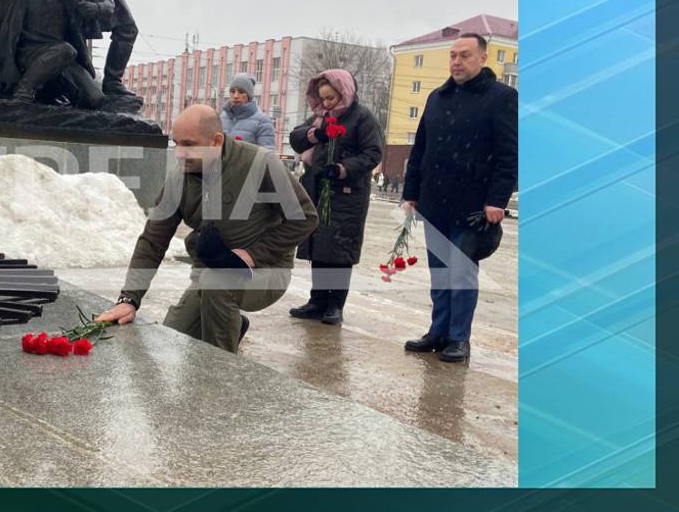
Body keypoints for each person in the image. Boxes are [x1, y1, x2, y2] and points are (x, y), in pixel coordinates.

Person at [95, 105, 318, 353]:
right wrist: (129, 299)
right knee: (171, 338)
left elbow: (306, 218)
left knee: (216, 285)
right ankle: (232, 322)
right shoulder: (179, 179)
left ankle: (220, 371)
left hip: (266, 270)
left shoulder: (261, 164)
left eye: (189, 144)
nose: (180, 154)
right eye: (176, 143)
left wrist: (253, 254)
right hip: (212, 271)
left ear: (216, 141)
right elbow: (152, 240)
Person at [402, 33, 518, 363]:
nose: (456, 61)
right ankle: (437, 332)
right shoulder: (437, 98)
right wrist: (411, 193)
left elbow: (508, 154)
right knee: (440, 272)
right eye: (453, 55)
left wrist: (497, 199)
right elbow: (420, 148)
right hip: (434, 201)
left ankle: (458, 338)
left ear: (483, 58)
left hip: (473, 207)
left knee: (462, 272)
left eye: (464, 55)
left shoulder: (502, 97)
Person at [287, 69, 383, 325]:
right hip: (318, 189)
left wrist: (343, 169)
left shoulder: (363, 118)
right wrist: (314, 134)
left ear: (344, 92)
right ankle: (317, 300)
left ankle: (335, 304)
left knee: (339, 249)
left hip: (347, 194)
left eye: (331, 98)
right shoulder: (320, 118)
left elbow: (372, 153)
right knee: (319, 246)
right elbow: (296, 139)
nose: (327, 103)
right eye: (323, 99)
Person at [219, 74, 277, 149]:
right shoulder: (222, 117)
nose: (236, 96)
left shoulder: (263, 121)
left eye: (241, 92)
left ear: (249, 95)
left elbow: (268, 155)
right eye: (232, 91)